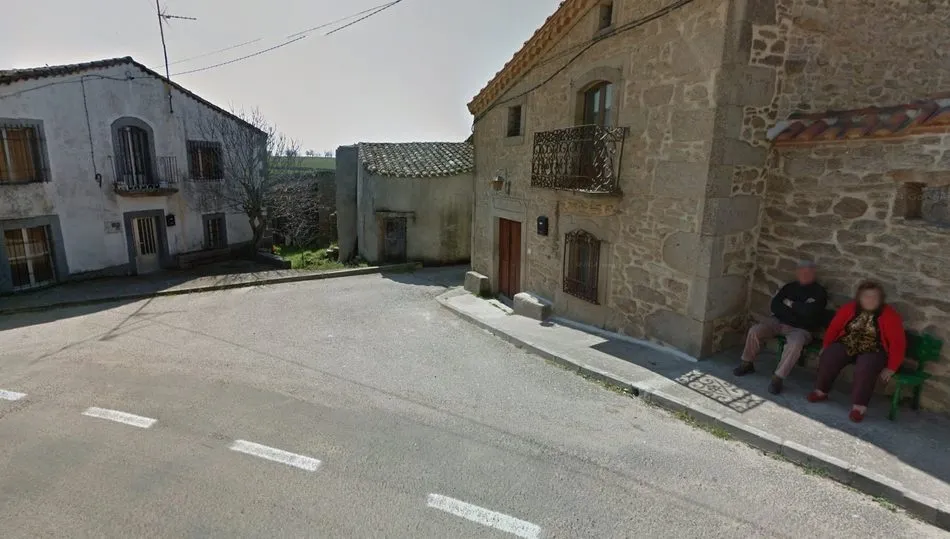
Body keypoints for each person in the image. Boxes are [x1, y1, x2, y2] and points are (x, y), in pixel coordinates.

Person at [807, 281, 906, 423]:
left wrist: (892, 367)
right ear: (859, 297)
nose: (870, 300)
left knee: (866, 365)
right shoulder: (849, 308)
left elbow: (898, 343)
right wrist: (826, 345)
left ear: (881, 298)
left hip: (874, 348)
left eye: (874, 296)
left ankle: (859, 406)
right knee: (830, 355)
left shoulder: (890, 315)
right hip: (848, 342)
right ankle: (821, 391)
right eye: (866, 296)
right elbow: (834, 328)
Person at [734, 260, 828, 395]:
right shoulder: (790, 287)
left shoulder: (819, 292)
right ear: (797, 273)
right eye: (801, 272)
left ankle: (778, 378)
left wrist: (790, 305)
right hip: (778, 322)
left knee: (795, 344)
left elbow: (810, 313)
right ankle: (747, 363)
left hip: (802, 328)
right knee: (755, 331)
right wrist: (799, 309)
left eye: (808, 272)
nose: (804, 275)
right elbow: (775, 306)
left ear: (813, 274)